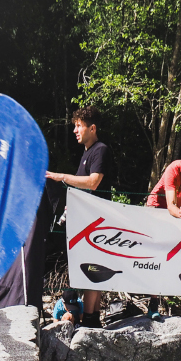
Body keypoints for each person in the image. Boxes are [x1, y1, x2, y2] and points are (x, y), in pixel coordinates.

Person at [47, 106, 113, 328]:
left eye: (78, 126)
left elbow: (93, 182)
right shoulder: (86, 153)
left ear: (92, 128)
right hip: (86, 221)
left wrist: (61, 177)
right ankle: (89, 318)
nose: (75, 130)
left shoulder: (100, 150)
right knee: (88, 267)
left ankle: (92, 319)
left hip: (98, 221)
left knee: (93, 268)